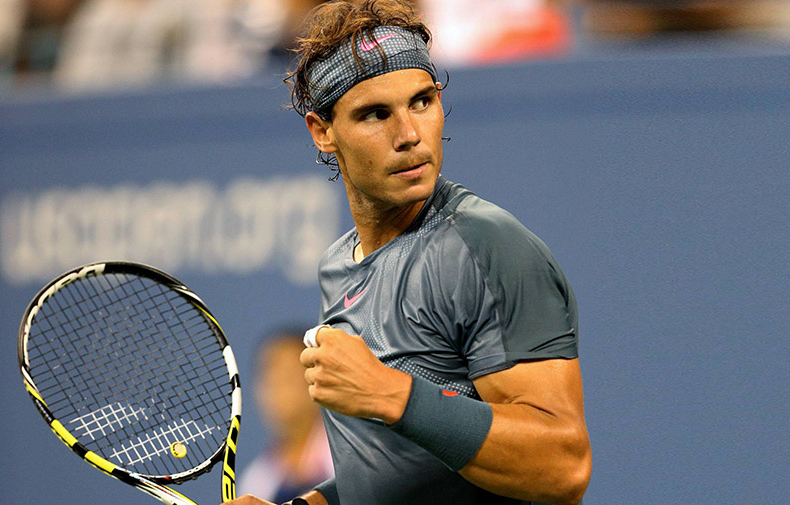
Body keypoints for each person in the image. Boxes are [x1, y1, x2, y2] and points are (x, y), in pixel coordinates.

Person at [224, 1, 592, 504]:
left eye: (421, 102)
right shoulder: (339, 266)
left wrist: (389, 393)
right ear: (322, 131)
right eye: (376, 114)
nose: (410, 135)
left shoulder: (486, 247)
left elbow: (563, 467)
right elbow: (394, 473)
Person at [238, 330, 334, 503]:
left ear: (317, 381)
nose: (277, 390)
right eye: (269, 379)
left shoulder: (349, 458)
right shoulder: (255, 482)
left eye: (289, 376)